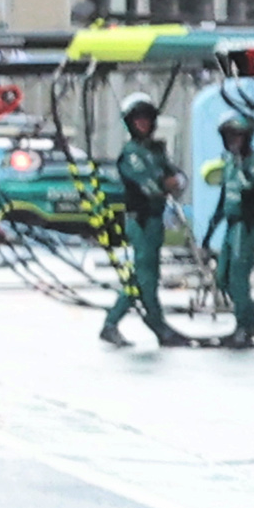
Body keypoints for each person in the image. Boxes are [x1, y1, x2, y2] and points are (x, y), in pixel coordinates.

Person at [99, 94, 194, 349]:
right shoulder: (130, 154)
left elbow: (177, 177)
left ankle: (151, 325)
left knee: (147, 274)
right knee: (144, 277)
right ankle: (148, 325)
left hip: (155, 219)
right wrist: (168, 184)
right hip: (140, 220)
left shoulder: (155, 150)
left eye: (146, 120)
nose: (142, 125)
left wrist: (172, 182)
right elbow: (151, 184)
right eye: (137, 120)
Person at [203, 121, 254, 347]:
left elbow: (250, 186)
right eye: (230, 137)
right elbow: (224, 197)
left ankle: (243, 326)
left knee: (238, 277)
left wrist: (239, 164)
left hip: (247, 223)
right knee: (222, 277)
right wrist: (210, 231)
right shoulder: (228, 162)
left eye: (238, 137)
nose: (234, 142)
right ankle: (252, 319)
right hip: (231, 222)